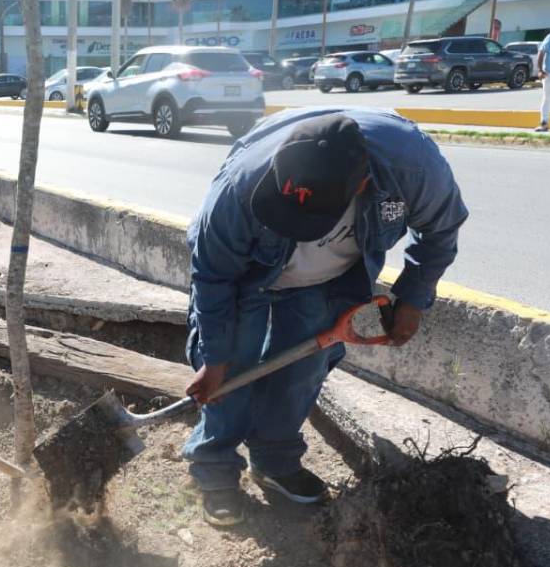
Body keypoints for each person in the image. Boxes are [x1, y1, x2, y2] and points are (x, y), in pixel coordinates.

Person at [183, 108, 468, 527]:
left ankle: (276, 462)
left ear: (362, 185)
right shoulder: (239, 187)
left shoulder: (414, 168)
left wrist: (412, 298)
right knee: (228, 374)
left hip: (327, 280)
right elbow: (213, 275)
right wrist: (215, 357)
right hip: (249, 273)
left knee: (302, 369)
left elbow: (441, 232)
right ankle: (214, 470)